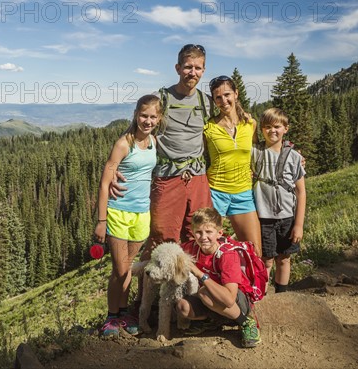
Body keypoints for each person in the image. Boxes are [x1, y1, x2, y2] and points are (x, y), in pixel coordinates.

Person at [111, 44, 214, 254]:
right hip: (167, 178)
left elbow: (227, 125)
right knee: (162, 239)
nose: (192, 72)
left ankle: (191, 285)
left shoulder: (207, 102)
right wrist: (114, 168)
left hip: (198, 178)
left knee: (198, 234)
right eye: (187, 67)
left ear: (203, 70)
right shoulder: (162, 99)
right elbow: (138, 129)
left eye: (197, 68)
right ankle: (152, 287)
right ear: (177, 68)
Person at [95, 94, 162, 337]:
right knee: (119, 270)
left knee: (128, 269)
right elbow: (104, 183)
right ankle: (111, 317)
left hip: (141, 213)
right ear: (136, 114)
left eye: (153, 116)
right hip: (118, 212)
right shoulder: (124, 143)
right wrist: (101, 221)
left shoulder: (154, 142)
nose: (148, 120)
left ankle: (123, 314)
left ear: (159, 118)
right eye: (144, 115)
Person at [178, 208, 261, 348]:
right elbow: (172, 251)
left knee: (205, 292)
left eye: (209, 232)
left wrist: (199, 273)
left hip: (236, 302)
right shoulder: (192, 248)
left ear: (219, 233)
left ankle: (246, 322)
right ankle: (215, 321)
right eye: (198, 232)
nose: (203, 237)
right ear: (193, 233)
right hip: (211, 299)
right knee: (183, 307)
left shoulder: (227, 255)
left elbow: (229, 299)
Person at [203, 75, 262, 256]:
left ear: (236, 94)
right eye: (218, 97)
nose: (224, 101)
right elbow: (200, 157)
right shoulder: (208, 128)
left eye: (227, 94)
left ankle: (249, 285)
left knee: (254, 252)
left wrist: (292, 155)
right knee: (209, 252)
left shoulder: (250, 124)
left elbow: (261, 150)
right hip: (215, 193)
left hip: (243, 193)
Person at [252, 107, 306, 293]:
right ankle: (263, 297)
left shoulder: (295, 157)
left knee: (284, 258)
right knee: (265, 260)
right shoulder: (255, 152)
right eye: (267, 127)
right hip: (263, 217)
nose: (272, 131)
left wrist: (298, 224)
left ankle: (282, 295)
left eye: (277, 126)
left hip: (287, 217)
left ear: (286, 128)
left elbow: (301, 192)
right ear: (261, 129)